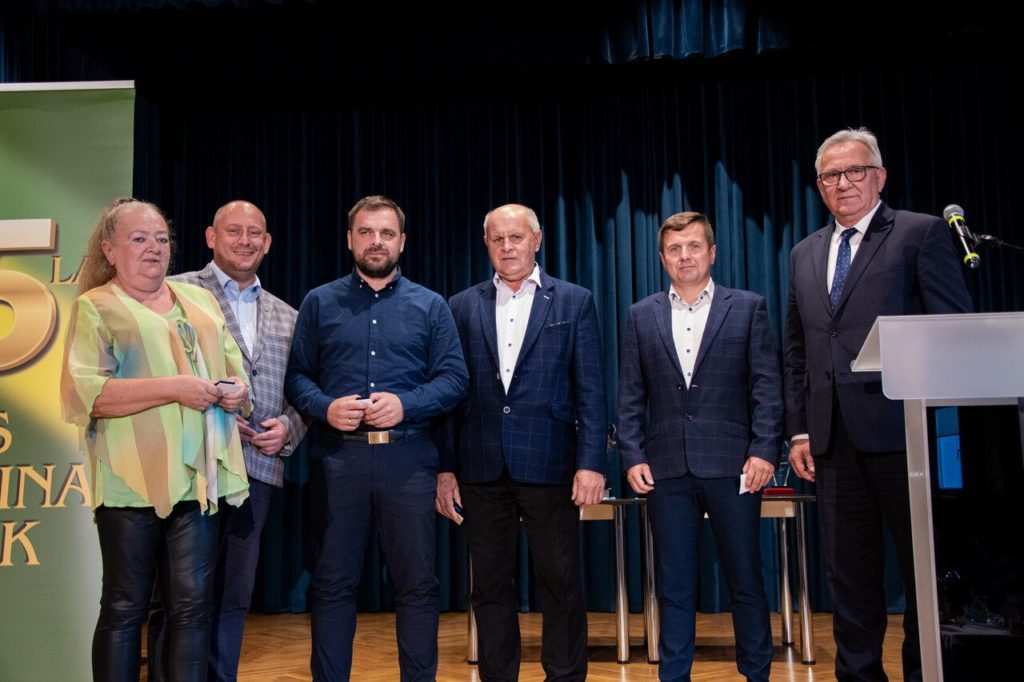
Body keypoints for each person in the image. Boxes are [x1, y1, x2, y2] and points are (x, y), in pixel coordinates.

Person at [783, 127, 972, 681]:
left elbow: (952, 330)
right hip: (832, 443)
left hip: (906, 436)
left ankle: (923, 673)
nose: (843, 183)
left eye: (855, 171)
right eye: (831, 175)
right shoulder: (803, 253)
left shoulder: (920, 233)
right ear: (820, 186)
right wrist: (799, 430)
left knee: (924, 571)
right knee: (848, 578)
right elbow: (796, 350)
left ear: (880, 177)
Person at [60, 198, 250, 682]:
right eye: (139, 239)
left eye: (161, 239)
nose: (154, 247)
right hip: (130, 483)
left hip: (198, 481)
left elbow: (233, 367)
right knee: (125, 606)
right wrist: (175, 388)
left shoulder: (200, 300)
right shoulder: (96, 306)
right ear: (110, 250)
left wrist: (236, 390)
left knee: (192, 607)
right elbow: (88, 394)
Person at [285, 195, 467, 681]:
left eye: (386, 233)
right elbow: (297, 377)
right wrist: (325, 407)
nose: (376, 241)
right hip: (338, 461)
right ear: (350, 240)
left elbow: (455, 379)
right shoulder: (319, 302)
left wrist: (407, 404)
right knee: (331, 584)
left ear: (402, 242)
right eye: (366, 232)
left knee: (418, 585)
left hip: (409, 462)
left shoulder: (431, 306)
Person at [436, 203, 607, 681]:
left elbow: (592, 390)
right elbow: (448, 394)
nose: (507, 247)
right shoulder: (460, 305)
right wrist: (445, 468)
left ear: (537, 239)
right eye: (498, 239)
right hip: (480, 465)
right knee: (489, 586)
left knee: (562, 582)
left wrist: (591, 462)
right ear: (486, 244)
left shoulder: (574, 301)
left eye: (516, 238)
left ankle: (565, 676)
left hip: (551, 464)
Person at [617, 211, 781, 682]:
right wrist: (632, 455)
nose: (684, 256)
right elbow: (630, 395)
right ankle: (674, 676)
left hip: (734, 466)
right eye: (674, 248)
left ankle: (757, 675)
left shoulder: (747, 307)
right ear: (662, 258)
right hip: (666, 468)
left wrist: (764, 449)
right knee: (674, 586)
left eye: (693, 246)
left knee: (746, 581)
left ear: (712, 253)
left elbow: (766, 387)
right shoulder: (641, 314)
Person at [149, 199, 305, 681]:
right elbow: (155, 372)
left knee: (234, 596)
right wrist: (210, 417)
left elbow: (302, 390)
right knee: (178, 595)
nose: (244, 240)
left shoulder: (288, 314)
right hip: (189, 468)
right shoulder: (174, 293)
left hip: (257, 471)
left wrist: (289, 428)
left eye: (254, 233)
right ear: (210, 237)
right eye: (233, 231)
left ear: (268, 243)